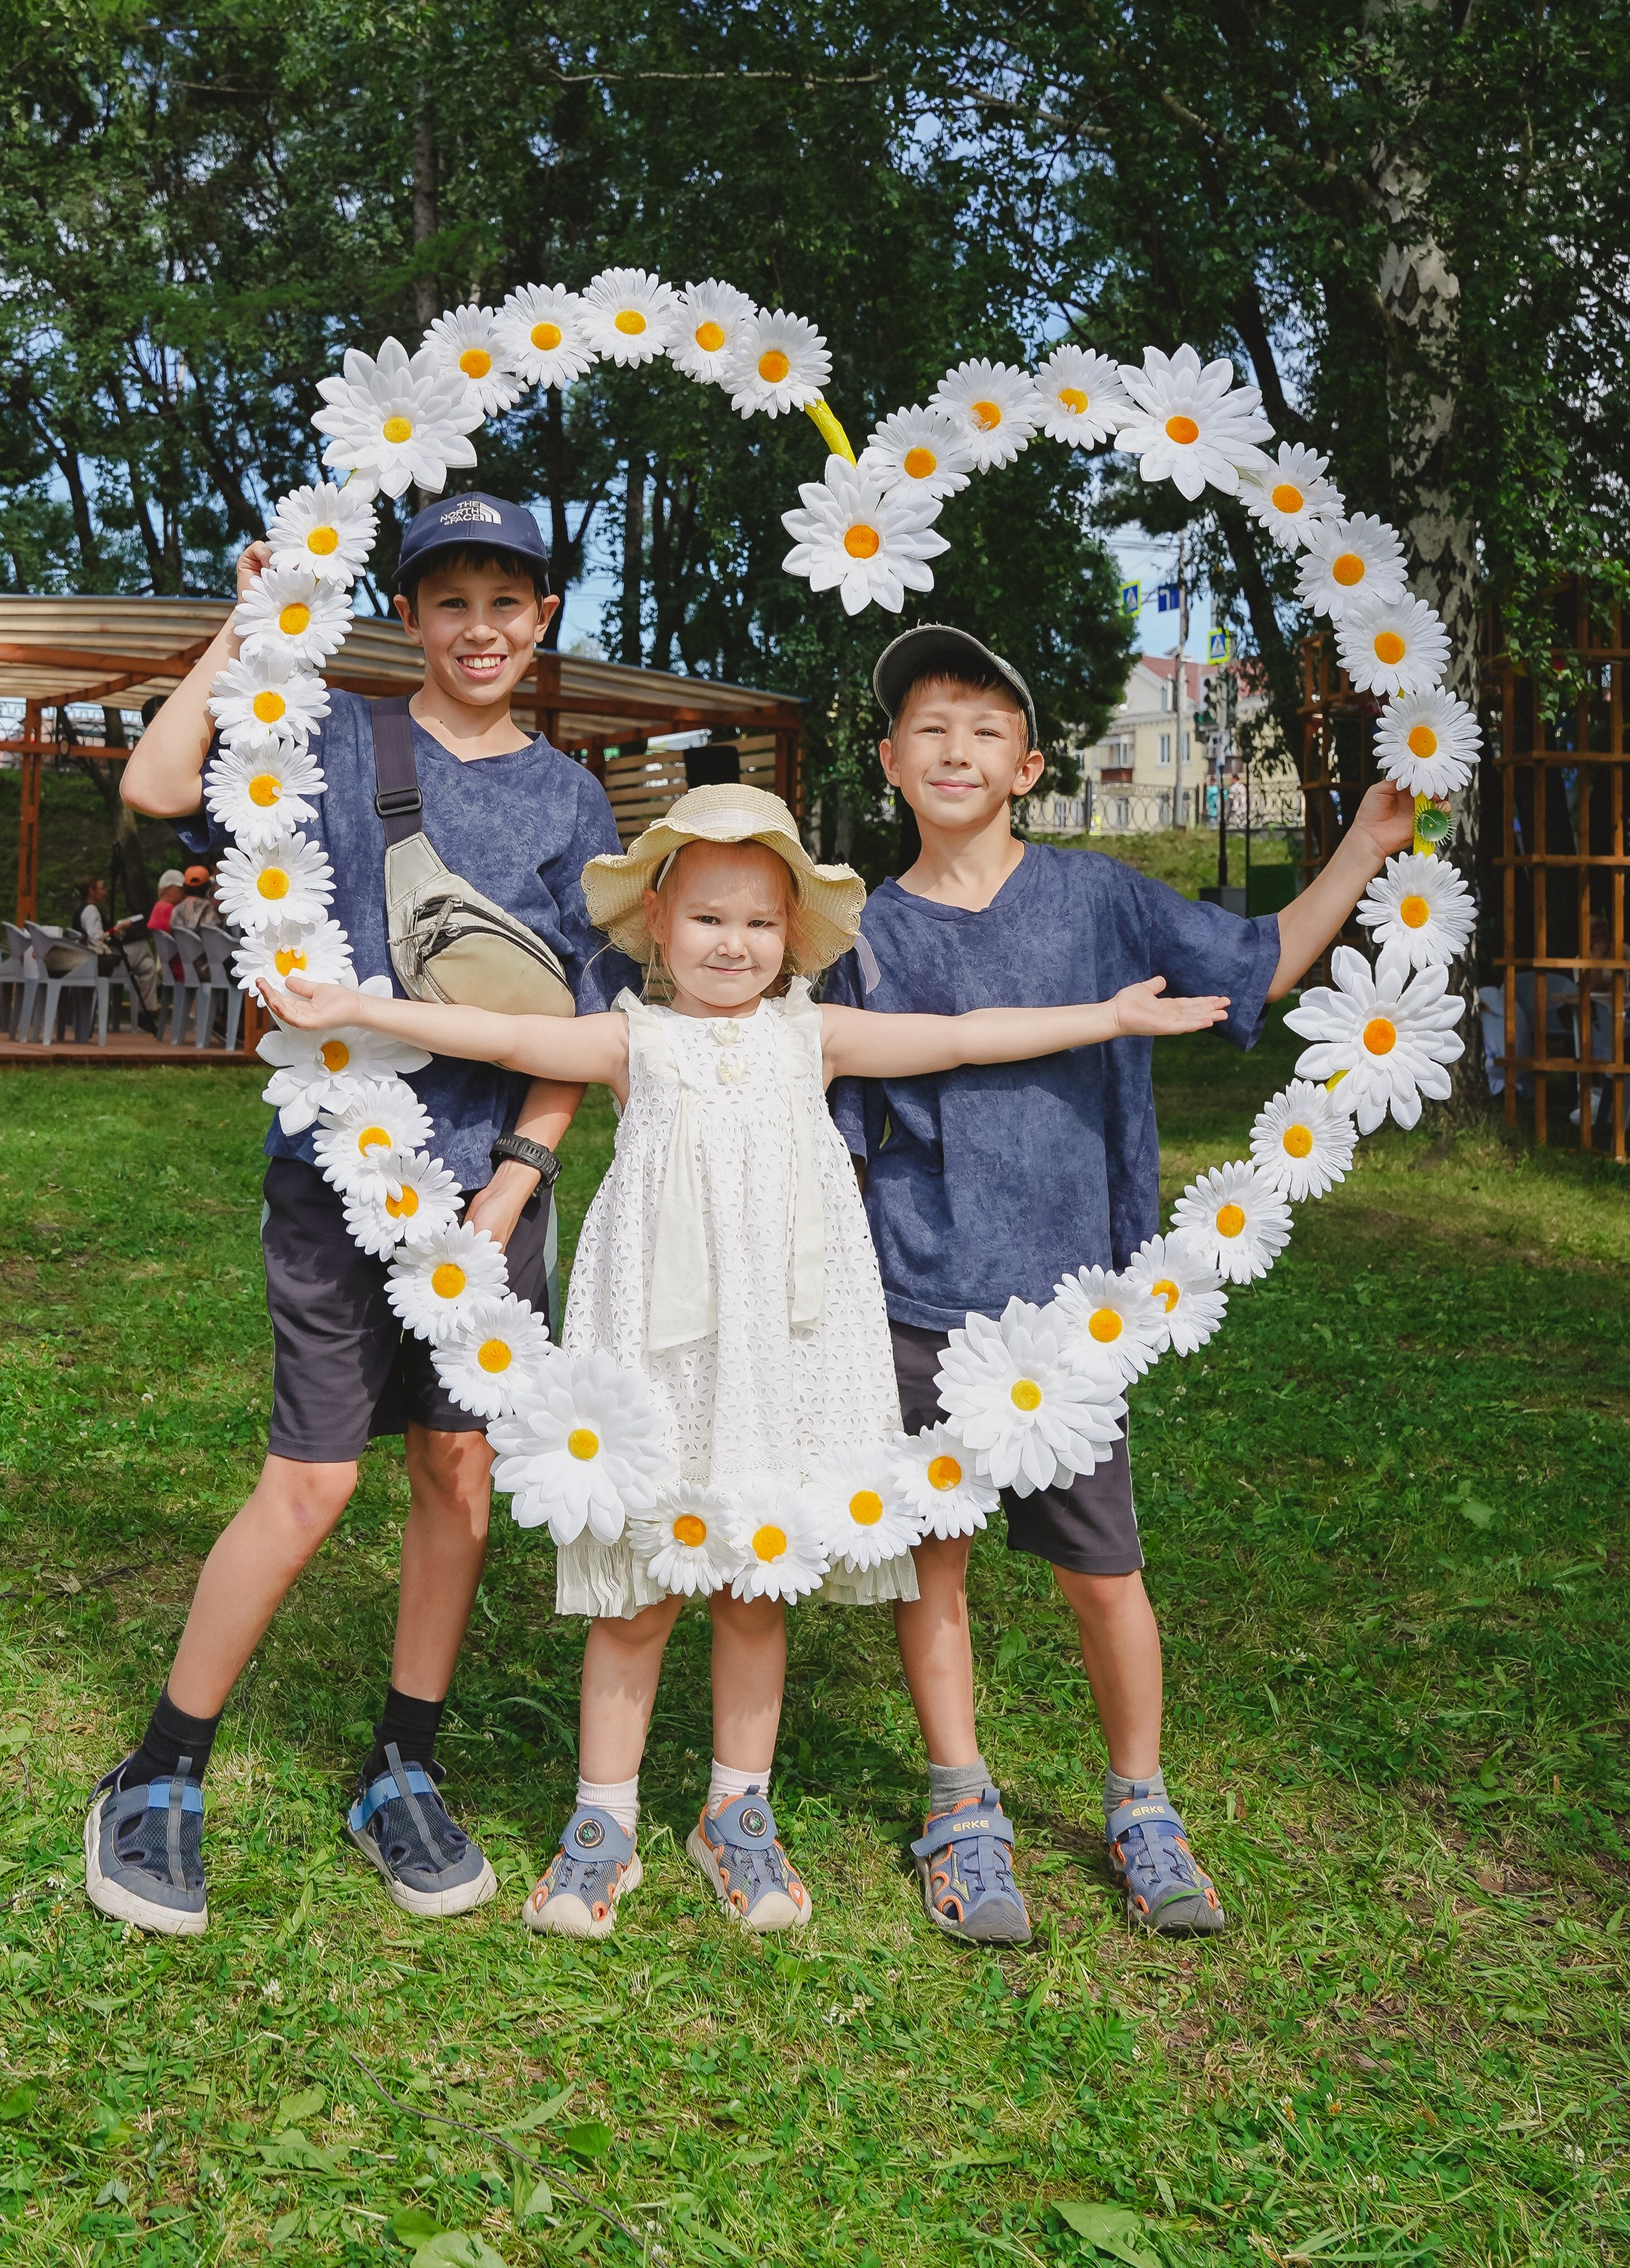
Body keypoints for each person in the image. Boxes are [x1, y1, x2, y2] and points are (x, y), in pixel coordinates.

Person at [260, 783, 1231, 1938]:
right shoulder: (632, 1039)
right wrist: (357, 1007)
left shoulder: (815, 1037)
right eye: (710, 919)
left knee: (751, 1587)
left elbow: (963, 1036)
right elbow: (507, 1036)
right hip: (657, 1349)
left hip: (779, 1351)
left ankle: (737, 1812)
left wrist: (1107, 1018)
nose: (735, 944)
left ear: (793, 935)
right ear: (659, 924)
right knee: (640, 1590)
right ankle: (603, 1824)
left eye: (762, 923)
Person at [82, 491, 629, 1938]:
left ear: (544, 616)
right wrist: (245, 627)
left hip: (492, 1193)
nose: (480, 629)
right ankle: (158, 1769)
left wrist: (519, 1178)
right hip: (340, 1177)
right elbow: (154, 782)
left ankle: (402, 1765)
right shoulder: (332, 740)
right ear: (410, 616)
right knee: (311, 1482)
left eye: (505, 602)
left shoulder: (572, 802)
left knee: (456, 1470)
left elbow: (590, 1024)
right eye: (450, 602)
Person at [823, 626, 1418, 1942]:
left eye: (987, 731)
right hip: (916, 1298)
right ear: (891, 762)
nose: (958, 751)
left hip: (1072, 1314)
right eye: (930, 730)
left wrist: (1366, 847)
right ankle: (962, 1805)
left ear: (1029, 767)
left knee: (1104, 1575)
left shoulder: (1100, 899)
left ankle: (1141, 1804)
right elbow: (831, 1126)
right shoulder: (859, 932)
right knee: (934, 1570)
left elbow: (1258, 962)